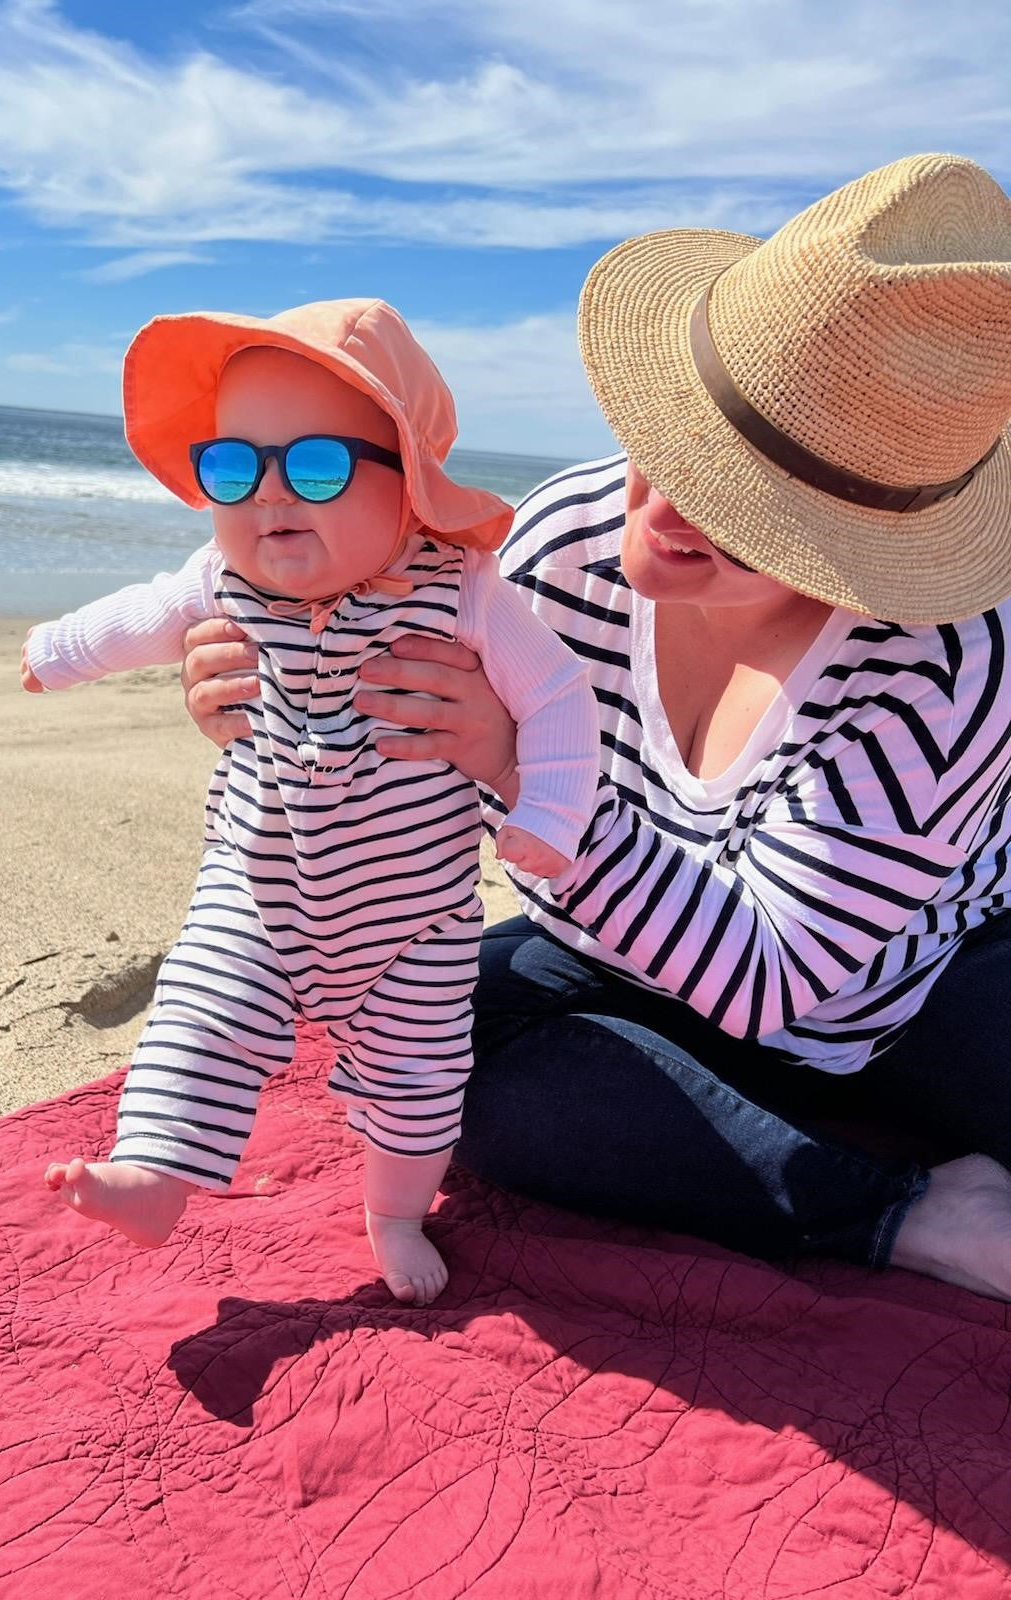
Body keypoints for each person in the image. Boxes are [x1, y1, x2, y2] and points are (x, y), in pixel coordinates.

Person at [180, 153, 1011, 1303]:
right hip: (614, 948)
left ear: (862, 539)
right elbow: (376, 744)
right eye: (670, 442)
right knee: (433, 1062)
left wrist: (519, 762)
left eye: (743, 498)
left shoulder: (946, 663)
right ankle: (905, 1205)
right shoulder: (562, 540)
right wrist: (267, 689)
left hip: (909, 989)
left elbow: (779, 979)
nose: (662, 510)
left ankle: (901, 1212)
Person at [23, 298, 600, 1305]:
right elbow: (142, 617)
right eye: (234, 468)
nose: (270, 497)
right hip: (259, 890)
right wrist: (56, 652)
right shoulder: (224, 580)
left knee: (420, 1088)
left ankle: (393, 1213)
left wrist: (546, 816)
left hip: (415, 918)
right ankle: (153, 1176)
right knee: (199, 1013)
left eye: (320, 467)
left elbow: (555, 697)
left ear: (409, 487)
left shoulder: (460, 592)